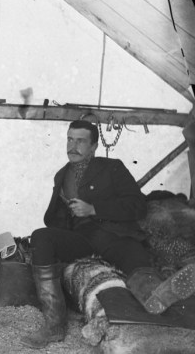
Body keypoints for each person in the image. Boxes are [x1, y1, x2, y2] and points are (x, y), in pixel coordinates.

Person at [20, 120, 195, 349]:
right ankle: (54, 326)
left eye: (80, 141)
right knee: (41, 236)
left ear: (93, 147)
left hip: (116, 235)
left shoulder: (112, 168)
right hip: (83, 239)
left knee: (139, 272)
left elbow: (137, 206)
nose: (73, 146)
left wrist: (94, 209)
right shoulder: (61, 176)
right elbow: (55, 220)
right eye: (70, 139)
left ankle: (158, 299)